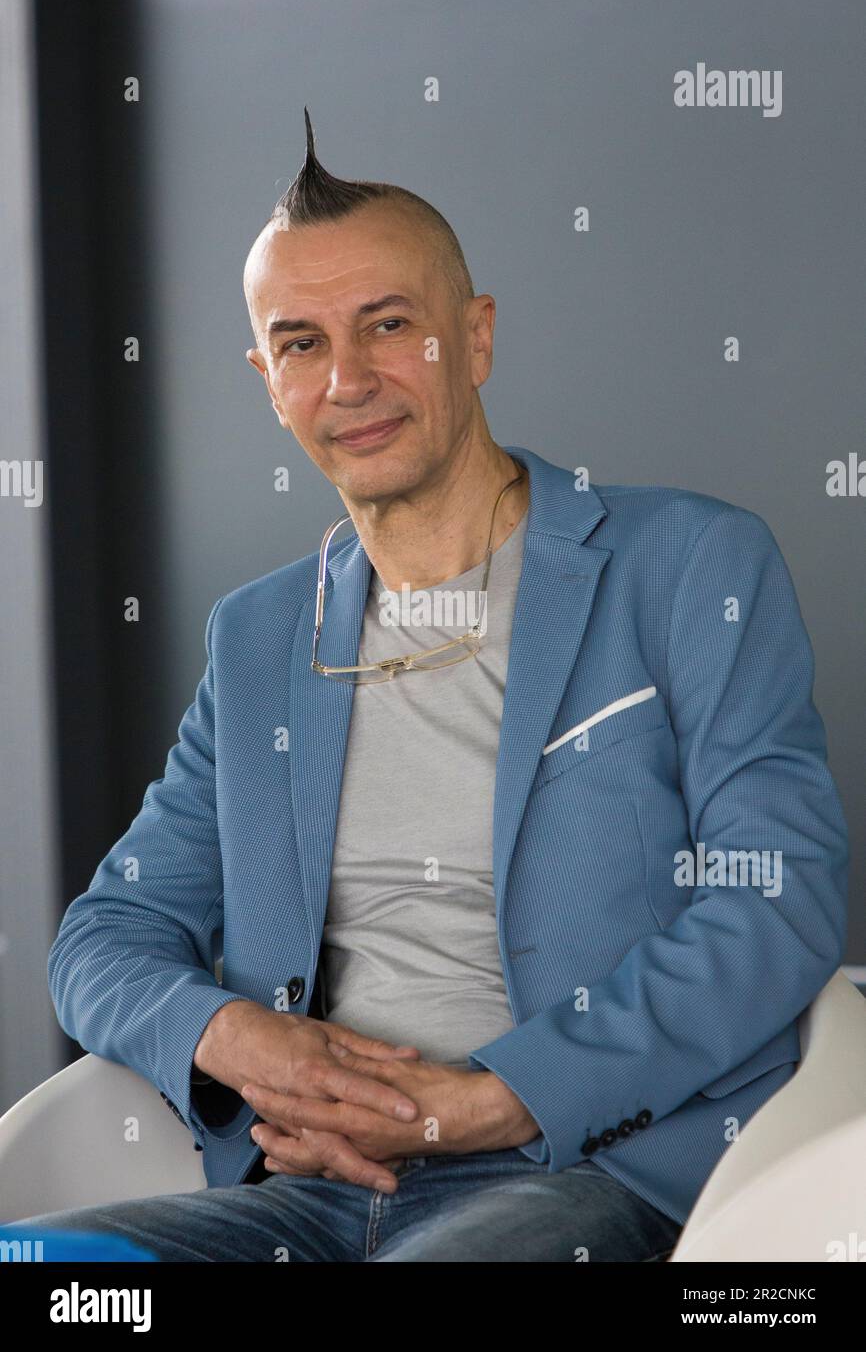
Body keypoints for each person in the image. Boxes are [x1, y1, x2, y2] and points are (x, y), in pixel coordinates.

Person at [14, 110, 848, 1262]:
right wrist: (241, 1039)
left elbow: (779, 897)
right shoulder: (258, 636)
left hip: (591, 1177)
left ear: (475, 335)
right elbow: (104, 935)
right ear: (267, 380)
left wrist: (490, 1096)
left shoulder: (688, 566)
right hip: (302, 1192)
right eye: (300, 343)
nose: (348, 378)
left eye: (389, 325)